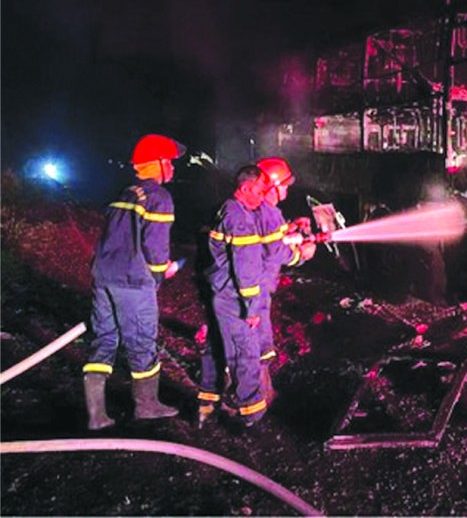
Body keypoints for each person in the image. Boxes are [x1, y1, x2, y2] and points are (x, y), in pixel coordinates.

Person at [82, 133, 186, 430]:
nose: (173, 168)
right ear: (158, 164)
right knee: (141, 342)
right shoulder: (159, 197)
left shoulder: (125, 192)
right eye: (169, 162)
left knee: (104, 340)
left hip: (103, 276)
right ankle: (147, 406)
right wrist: (158, 274)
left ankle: (96, 415)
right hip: (133, 282)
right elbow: (155, 247)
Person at [197, 165, 271, 428]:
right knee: (245, 354)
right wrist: (251, 308)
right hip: (234, 298)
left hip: (222, 293)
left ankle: (206, 409)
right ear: (246, 188)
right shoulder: (239, 218)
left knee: (217, 349)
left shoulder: (227, 209)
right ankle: (251, 418)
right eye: (260, 191)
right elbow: (246, 269)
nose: (262, 197)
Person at [254, 157, 317, 403]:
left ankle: (262, 393)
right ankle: (254, 401)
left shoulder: (262, 210)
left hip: (254, 287)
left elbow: (269, 239)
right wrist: (302, 255)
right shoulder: (268, 213)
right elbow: (275, 252)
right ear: (272, 186)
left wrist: (291, 227)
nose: (287, 189)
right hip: (255, 289)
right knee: (258, 346)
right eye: (284, 185)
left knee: (256, 343)